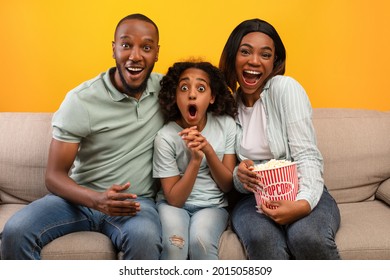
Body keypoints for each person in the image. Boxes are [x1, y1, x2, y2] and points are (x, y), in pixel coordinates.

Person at [1, 13, 163, 260]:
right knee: (15, 230)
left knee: (145, 237)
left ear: (157, 53)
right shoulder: (81, 100)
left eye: (146, 47)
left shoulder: (167, 91)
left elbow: (210, 97)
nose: (135, 55)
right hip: (78, 200)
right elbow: (54, 176)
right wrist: (97, 201)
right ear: (114, 49)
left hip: (135, 204)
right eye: (126, 45)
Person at [219, 18, 341, 259]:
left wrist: (303, 203)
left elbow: (307, 155)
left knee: (306, 236)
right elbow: (234, 176)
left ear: (274, 62)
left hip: (299, 188)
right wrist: (240, 176)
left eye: (265, 55)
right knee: (261, 239)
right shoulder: (227, 106)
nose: (254, 61)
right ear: (233, 56)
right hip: (253, 199)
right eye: (245, 52)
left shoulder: (284, 88)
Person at [153, 60, 237, 259]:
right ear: (175, 96)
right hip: (173, 205)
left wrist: (207, 149)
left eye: (201, 88)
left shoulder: (226, 126)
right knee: (175, 246)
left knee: (201, 243)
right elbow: (174, 199)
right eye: (184, 88)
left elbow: (227, 185)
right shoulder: (165, 137)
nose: (192, 94)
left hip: (212, 206)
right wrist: (195, 161)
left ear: (212, 97)